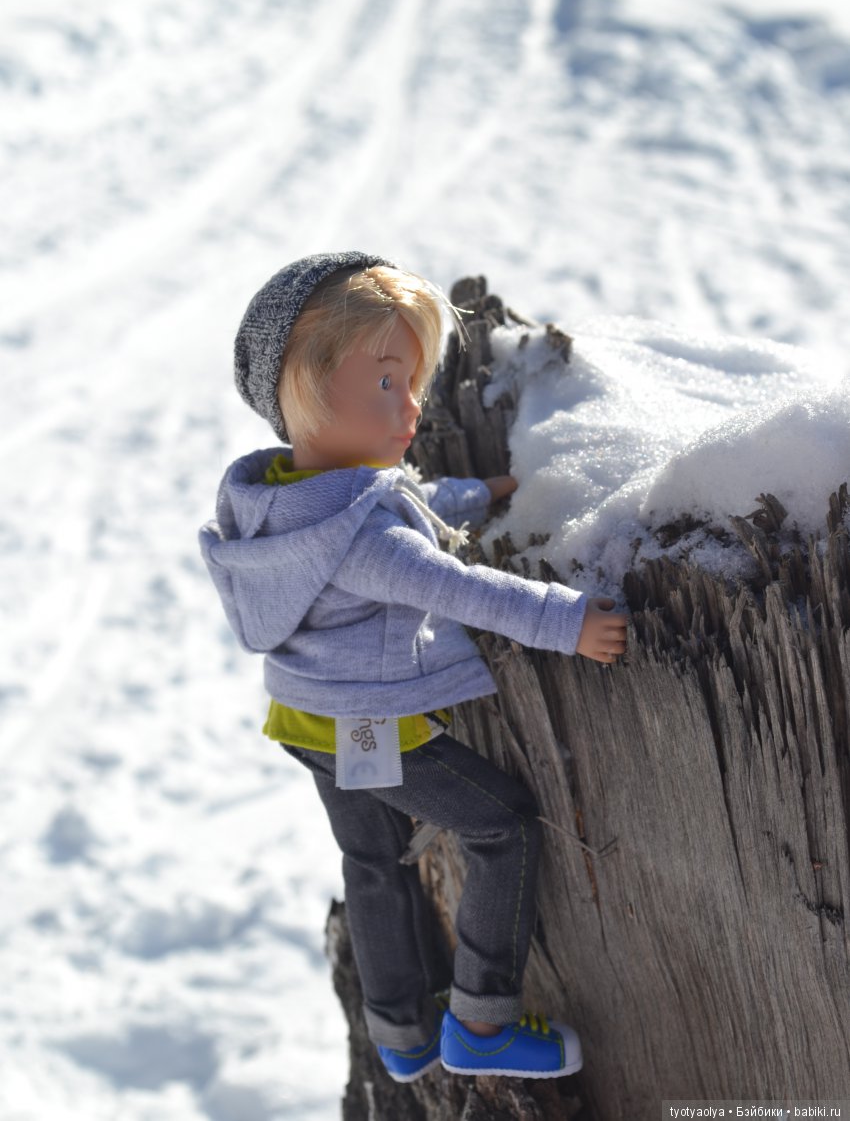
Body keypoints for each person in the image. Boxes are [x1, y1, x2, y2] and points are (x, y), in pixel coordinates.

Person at [199, 251, 628, 1083]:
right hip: (367, 724)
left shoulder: (275, 500)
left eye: (414, 382)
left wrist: (472, 493)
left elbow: (395, 494)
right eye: (387, 383)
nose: (413, 406)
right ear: (305, 386)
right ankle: (481, 1022)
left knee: (373, 858)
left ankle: (398, 1029)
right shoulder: (363, 541)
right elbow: (456, 585)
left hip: (305, 718)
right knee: (500, 823)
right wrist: (569, 622)